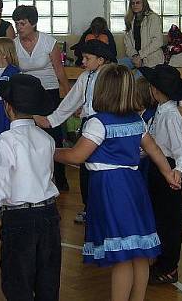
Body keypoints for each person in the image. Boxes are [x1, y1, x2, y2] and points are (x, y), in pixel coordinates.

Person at [54, 64, 181, 301]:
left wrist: (51, 151)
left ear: (102, 91)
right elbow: (152, 148)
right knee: (139, 251)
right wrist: (168, 173)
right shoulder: (136, 120)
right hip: (134, 185)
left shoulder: (98, 123)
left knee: (122, 253)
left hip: (111, 187)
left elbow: (76, 156)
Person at [0, 74, 62, 301]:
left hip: (19, 220)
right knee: (48, 281)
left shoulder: (6, 140)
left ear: (7, 107)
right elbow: (46, 175)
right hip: (49, 216)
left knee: (17, 282)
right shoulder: (47, 139)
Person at [34, 39, 116, 225]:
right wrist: (51, 120)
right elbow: (71, 101)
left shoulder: (113, 77)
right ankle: (89, 208)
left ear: (101, 60)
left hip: (108, 126)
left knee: (104, 170)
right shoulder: (85, 77)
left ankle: (107, 207)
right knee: (86, 171)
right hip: (89, 125)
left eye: (87, 58)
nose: (83, 62)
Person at [139, 64, 182, 285]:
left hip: (168, 171)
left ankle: (169, 267)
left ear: (156, 89)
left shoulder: (170, 116)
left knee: (170, 221)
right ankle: (161, 260)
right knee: (160, 217)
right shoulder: (160, 111)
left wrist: (177, 171)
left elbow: (181, 150)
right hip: (158, 168)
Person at [12, 4, 71, 191]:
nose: (18, 27)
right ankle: (32, 178)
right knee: (27, 136)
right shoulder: (13, 45)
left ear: (33, 23)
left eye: (22, 23)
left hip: (49, 93)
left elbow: (60, 73)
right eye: (16, 23)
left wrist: (70, 100)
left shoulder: (49, 42)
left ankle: (60, 178)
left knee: (53, 136)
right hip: (27, 95)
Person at [123, 0, 165, 69]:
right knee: (116, 67)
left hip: (151, 60)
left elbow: (158, 41)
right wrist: (135, 56)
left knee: (137, 78)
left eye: (138, 3)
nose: (135, 5)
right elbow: (127, 44)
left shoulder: (153, 18)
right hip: (134, 58)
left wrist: (140, 56)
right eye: (133, 3)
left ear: (144, 4)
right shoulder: (130, 20)